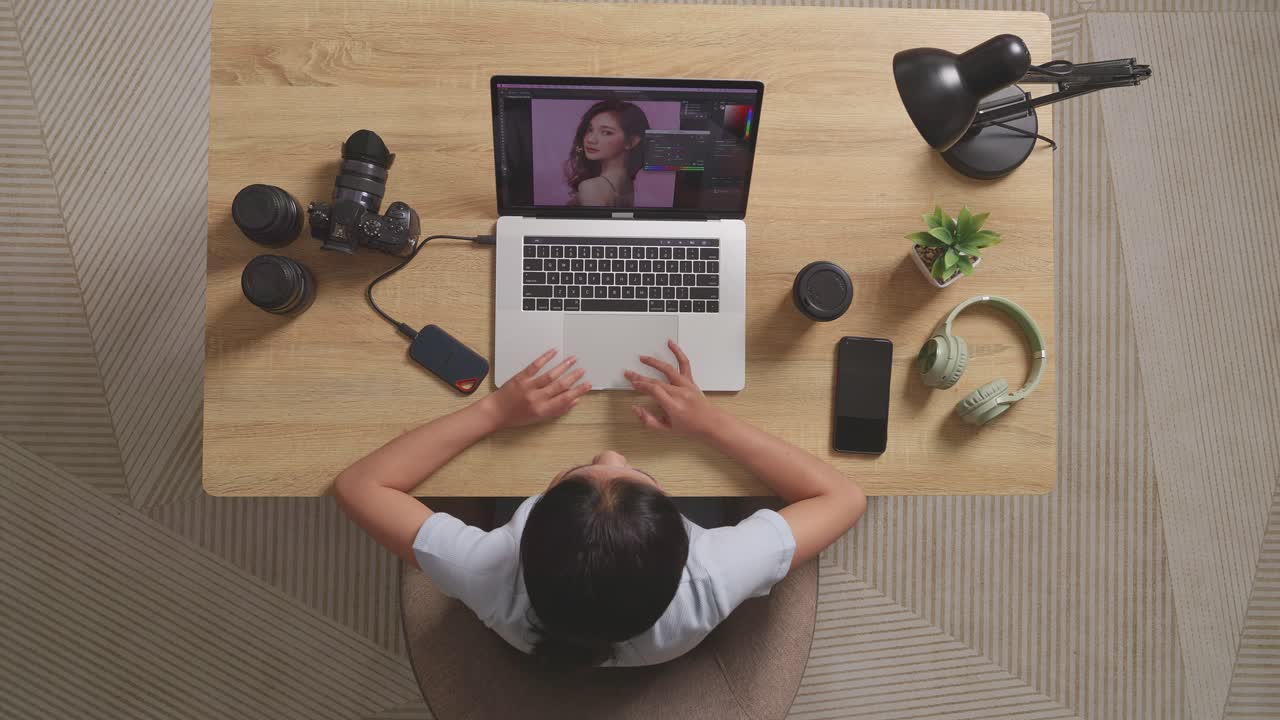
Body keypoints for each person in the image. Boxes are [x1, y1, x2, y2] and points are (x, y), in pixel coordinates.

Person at [335, 340, 867, 668]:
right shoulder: (711, 575)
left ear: (519, 546)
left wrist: (495, 410)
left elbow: (361, 486)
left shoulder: (488, 573)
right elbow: (842, 496)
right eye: (638, 474)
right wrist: (713, 423)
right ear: (685, 550)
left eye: (576, 474)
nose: (610, 450)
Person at [564, 99, 649, 207]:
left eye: (606, 132)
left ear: (632, 142)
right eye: (590, 130)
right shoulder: (629, 184)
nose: (590, 139)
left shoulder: (591, 187)